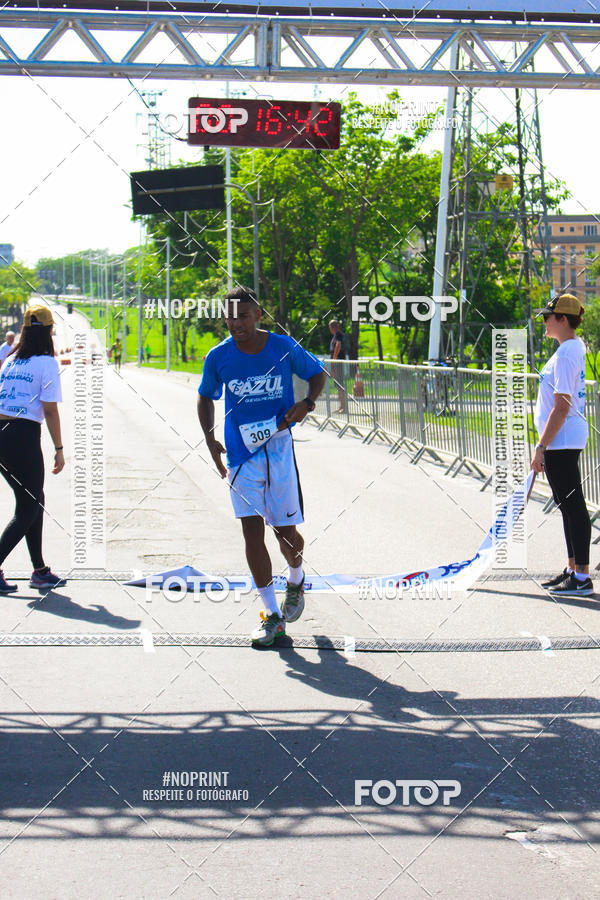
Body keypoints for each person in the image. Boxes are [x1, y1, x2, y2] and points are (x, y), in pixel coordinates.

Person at [197, 286, 326, 646]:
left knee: (286, 535)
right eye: (229, 317)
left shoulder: (283, 347)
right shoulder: (218, 356)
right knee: (252, 533)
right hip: (241, 457)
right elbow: (205, 396)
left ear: (257, 315)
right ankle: (271, 616)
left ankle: (296, 578)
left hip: (280, 451)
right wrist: (210, 440)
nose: (235, 323)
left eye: (242, 316)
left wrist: (307, 404)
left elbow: (318, 375)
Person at [0, 303, 66, 593]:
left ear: (25, 332)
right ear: (50, 332)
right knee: (31, 504)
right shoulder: (46, 363)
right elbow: (50, 411)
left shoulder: (11, 361)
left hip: (2, 434)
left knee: (32, 500)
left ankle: (39, 570)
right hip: (22, 435)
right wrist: (59, 448)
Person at [532, 294, 593, 597]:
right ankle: (572, 568)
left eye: (548, 316)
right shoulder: (567, 350)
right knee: (566, 506)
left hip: (562, 439)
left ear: (563, 320)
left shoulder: (568, 352)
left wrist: (541, 446)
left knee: (573, 507)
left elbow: (562, 405)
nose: (544, 321)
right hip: (562, 439)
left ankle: (582, 576)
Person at [328, 320, 347, 413]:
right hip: (336, 364)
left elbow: (338, 345)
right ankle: (341, 406)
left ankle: (344, 407)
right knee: (338, 385)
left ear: (332, 327)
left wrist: (334, 359)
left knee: (340, 385)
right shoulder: (337, 335)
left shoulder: (338, 335)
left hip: (338, 363)